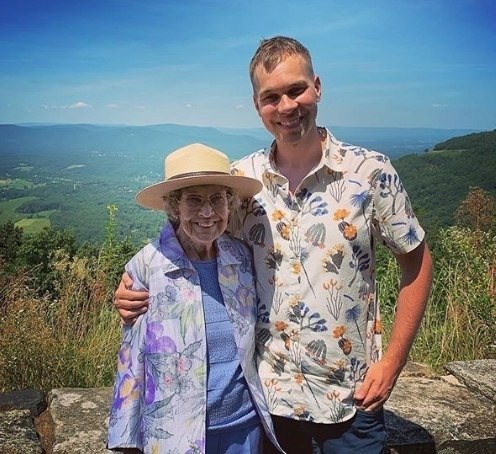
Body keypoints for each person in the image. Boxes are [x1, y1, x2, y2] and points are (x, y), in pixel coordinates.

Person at [114, 37, 433, 454]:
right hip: (269, 402)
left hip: (352, 397)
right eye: (271, 97)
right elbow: (192, 236)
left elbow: (417, 262)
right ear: (257, 105)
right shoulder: (242, 181)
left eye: (296, 90)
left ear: (317, 87)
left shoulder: (369, 172)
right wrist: (138, 280)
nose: (286, 107)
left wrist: (392, 362)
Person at [107, 143, 284, 454]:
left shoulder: (241, 258)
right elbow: (132, 361)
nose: (207, 213)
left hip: (243, 428)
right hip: (176, 435)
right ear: (174, 207)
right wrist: (126, 438)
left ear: (229, 204)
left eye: (217, 199)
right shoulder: (148, 266)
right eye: (194, 200)